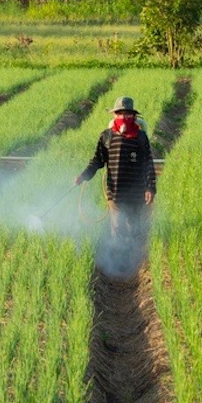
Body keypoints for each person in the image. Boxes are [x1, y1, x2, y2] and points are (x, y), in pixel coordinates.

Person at [76, 96, 157, 278]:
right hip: (115, 192)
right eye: (121, 114)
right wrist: (84, 175)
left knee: (133, 228)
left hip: (136, 193)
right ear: (115, 115)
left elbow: (148, 163)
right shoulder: (106, 136)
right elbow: (97, 160)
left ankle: (134, 268)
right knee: (118, 228)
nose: (125, 117)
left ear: (134, 116)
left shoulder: (141, 137)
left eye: (128, 114)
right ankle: (117, 268)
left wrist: (150, 187)